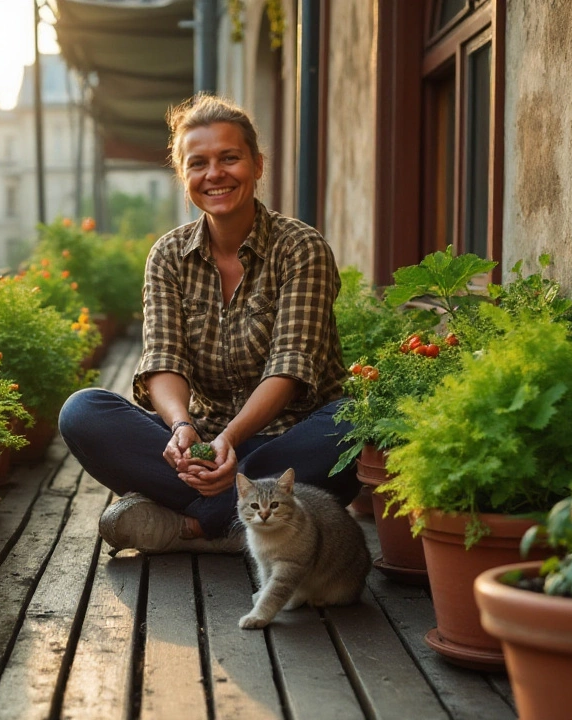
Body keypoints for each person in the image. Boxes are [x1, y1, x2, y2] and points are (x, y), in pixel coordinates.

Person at [58, 93, 359, 554]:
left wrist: (231, 440)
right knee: (83, 411)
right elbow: (163, 358)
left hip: (290, 444)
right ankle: (243, 522)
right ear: (184, 177)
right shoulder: (167, 256)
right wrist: (182, 429)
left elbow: (290, 367)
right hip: (203, 444)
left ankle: (191, 527)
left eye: (230, 158)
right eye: (198, 163)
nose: (214, 174)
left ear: (258, 165)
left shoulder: (301, 248)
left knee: (353, 422)